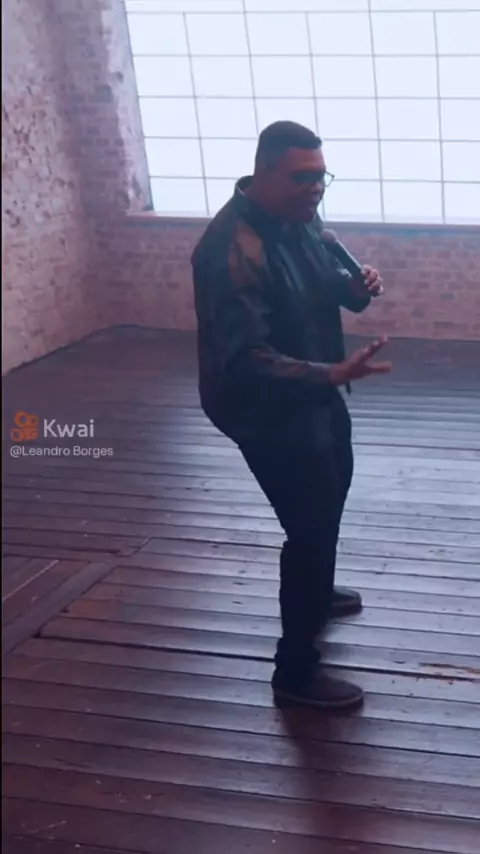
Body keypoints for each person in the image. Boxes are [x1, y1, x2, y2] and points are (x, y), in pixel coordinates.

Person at [191, 121, 391, 711]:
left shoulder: (299, 220)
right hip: (263, 408)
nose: (316, 188)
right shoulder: (230, 252)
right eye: (304, 177)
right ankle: (295, 673)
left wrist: (357, 288)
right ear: (265, 174)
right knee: (309, 527)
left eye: (321, 176)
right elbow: (244, 360)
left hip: (316, 388)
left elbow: (327, 285)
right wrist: (329, 374)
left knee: (334, 487)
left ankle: (317, 590)